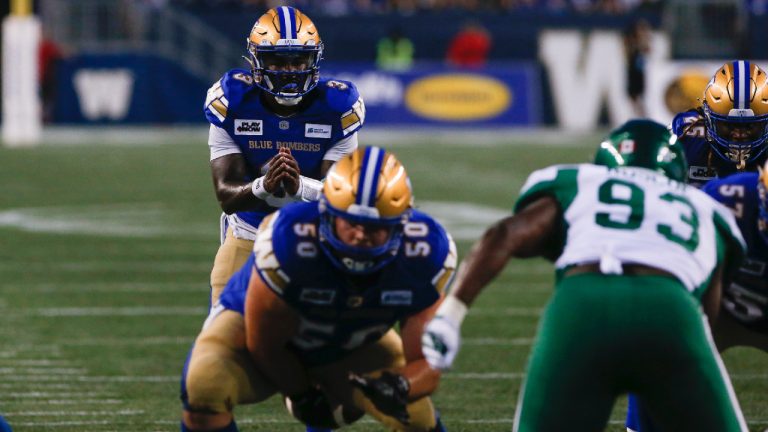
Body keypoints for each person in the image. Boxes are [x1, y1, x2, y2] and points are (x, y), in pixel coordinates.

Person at [421, 120, 749, 431]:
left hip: (584, 301)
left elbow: (504, 235)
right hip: (671, 307)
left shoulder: (583, 180)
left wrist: (451, 314)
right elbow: (707, 311)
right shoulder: (704, 207)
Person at [181, 147, 455, 432]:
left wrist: (401, 385)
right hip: (258, 332)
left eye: (374, 227)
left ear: (401, 225)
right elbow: (266, 342)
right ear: (326, 213)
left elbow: (427, 362)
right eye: (351, 222)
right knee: (205, 382)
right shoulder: (290, 238)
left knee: (415, 416)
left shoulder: (426, 252)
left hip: (351, 338)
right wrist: (302, 394)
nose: (360, 235)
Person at [204, 5, 365, 306]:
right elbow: (227, 196)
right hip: (249, 232)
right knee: (222, 330)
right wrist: (265, 185)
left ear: (314, 59)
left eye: (298, 60)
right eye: (278, 62)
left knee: (333, 335)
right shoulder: (232, 102)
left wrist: (298, 185)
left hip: (316, 236)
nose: (290, 71)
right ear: (256, 62)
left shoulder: (336, 107)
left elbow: (342, 198)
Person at [673, 60, 768, 187]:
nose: (739, 135)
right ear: (707, 118)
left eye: (749, 126)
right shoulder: (688, 135)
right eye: (729, 125)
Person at [623, 19, 650, 117]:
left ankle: (642, 115)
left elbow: (648, 50)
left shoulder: (642, 42)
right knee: (633, 97)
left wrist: (644, 37)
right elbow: (627, 54)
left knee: (640, 97)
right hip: (633, 71)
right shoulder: (630, 43)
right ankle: (638, 115)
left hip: (640, 73)